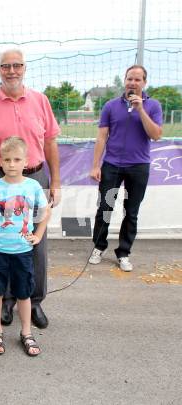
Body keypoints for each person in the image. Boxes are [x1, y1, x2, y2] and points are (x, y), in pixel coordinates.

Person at [0, 48, 60, 329]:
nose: (12, 71)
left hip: (36, 179)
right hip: (0, 178)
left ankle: (34, 301)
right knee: (3, 239)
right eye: (6, 66)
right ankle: (7, 300)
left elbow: (50, 143)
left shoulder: (40, 101)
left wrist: (55, 181)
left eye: (17, 65)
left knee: (35, 241)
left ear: (25, 68)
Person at [0, 137, 50, 356]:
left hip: (23, 251)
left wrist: (38, 234)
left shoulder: (33, 186)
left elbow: (45, 210)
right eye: (7, 159)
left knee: (23, 293)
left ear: (26, 162)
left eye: (17, 159)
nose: (12, 164)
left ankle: (27, 332)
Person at [89, 65, 163, 271]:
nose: (132, 83)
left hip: (138, 167)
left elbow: (155, 135)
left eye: (137, 80)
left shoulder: (153, 106)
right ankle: (98, 246)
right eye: (129, 79)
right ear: (125, 80)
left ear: (144, 83)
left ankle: (124, 253)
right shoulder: (111, 106)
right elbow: (102, 136)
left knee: (131, 212)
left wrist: (140, 109)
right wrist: (96, 165)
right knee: (105, 208)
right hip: (112, 166)